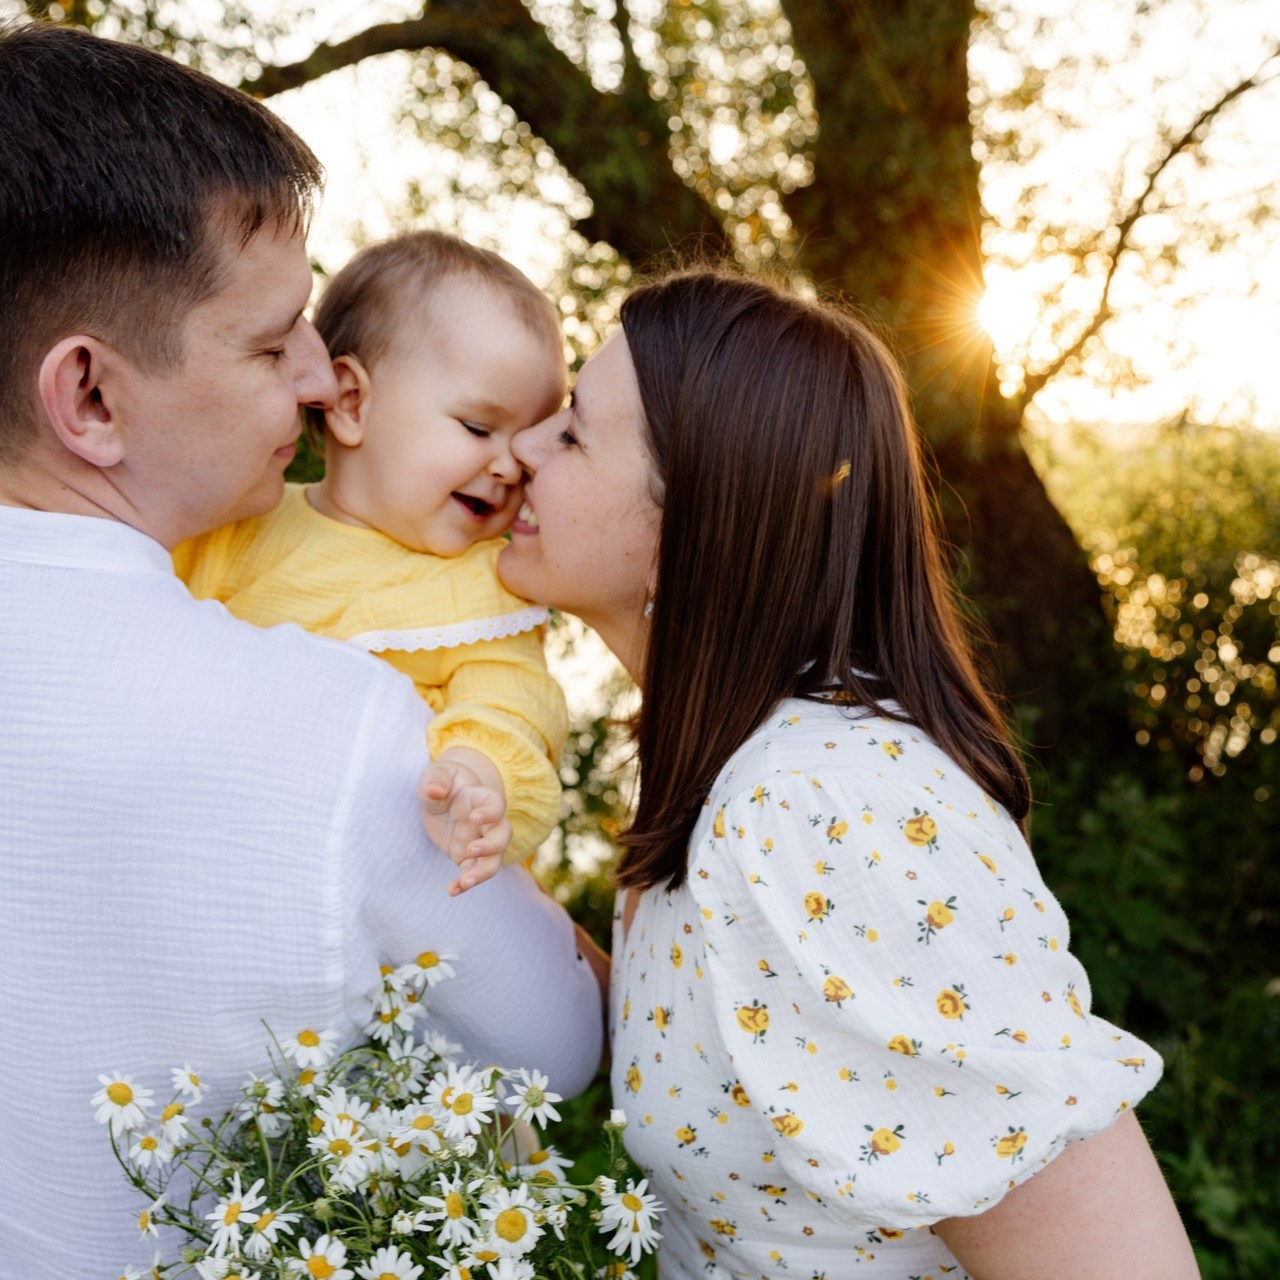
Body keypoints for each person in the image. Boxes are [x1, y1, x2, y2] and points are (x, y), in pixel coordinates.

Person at [0, 22, 602, 1276]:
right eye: (273, 344)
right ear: (91, 397)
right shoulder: (340, 728)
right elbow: (557, 1043)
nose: (328, 378)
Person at [498, 269, 1200, 1279]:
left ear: (690, 523)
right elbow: (726, 1047)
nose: (520, 446)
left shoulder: (823, 810)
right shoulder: (727, 777)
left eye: (570, 430)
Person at [175, 231, 569, 892]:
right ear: (353, 402)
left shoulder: (484, 591)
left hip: (392, 890)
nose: (509, 467)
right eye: (478, 428)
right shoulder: (235, 526)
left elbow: (514, 705)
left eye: (526, 443)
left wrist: (477, 773)